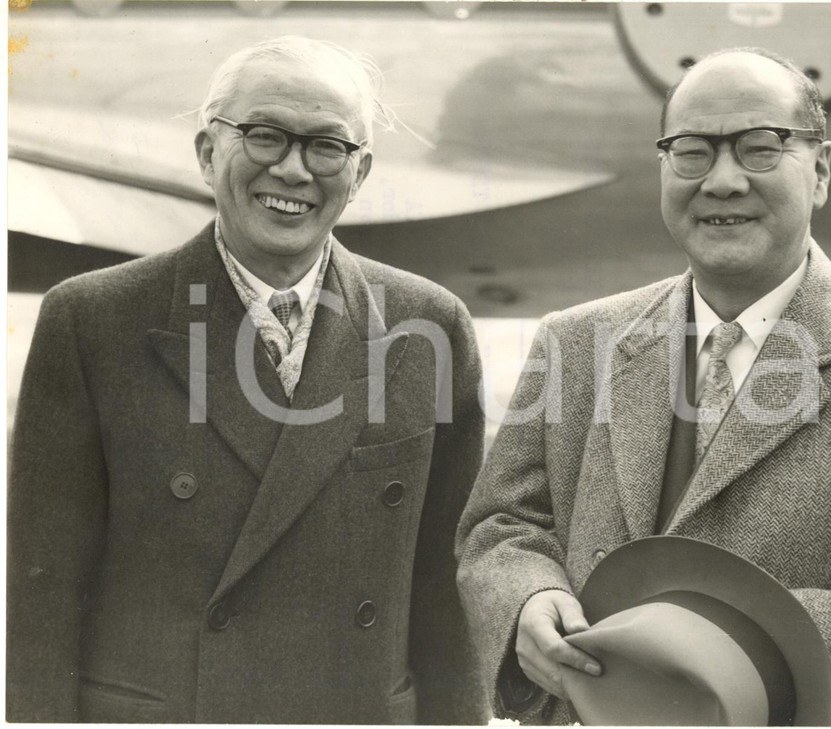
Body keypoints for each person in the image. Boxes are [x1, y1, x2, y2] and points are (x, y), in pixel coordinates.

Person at [456, 47, 831, 726]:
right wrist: (525, 599)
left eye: (760, 148)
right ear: (663, 167)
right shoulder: (573, 340)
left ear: (820, 169)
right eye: (692, 152)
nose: (723, 180)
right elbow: (501, 525)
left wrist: (754, 648)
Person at [8, 36, 486, 724]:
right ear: (207, 153)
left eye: (327, 146)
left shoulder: (430, 324)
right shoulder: (92, 321)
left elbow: (449, 594)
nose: (292, 170)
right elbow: (41, 599)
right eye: (264, 135)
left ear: (361, 172)